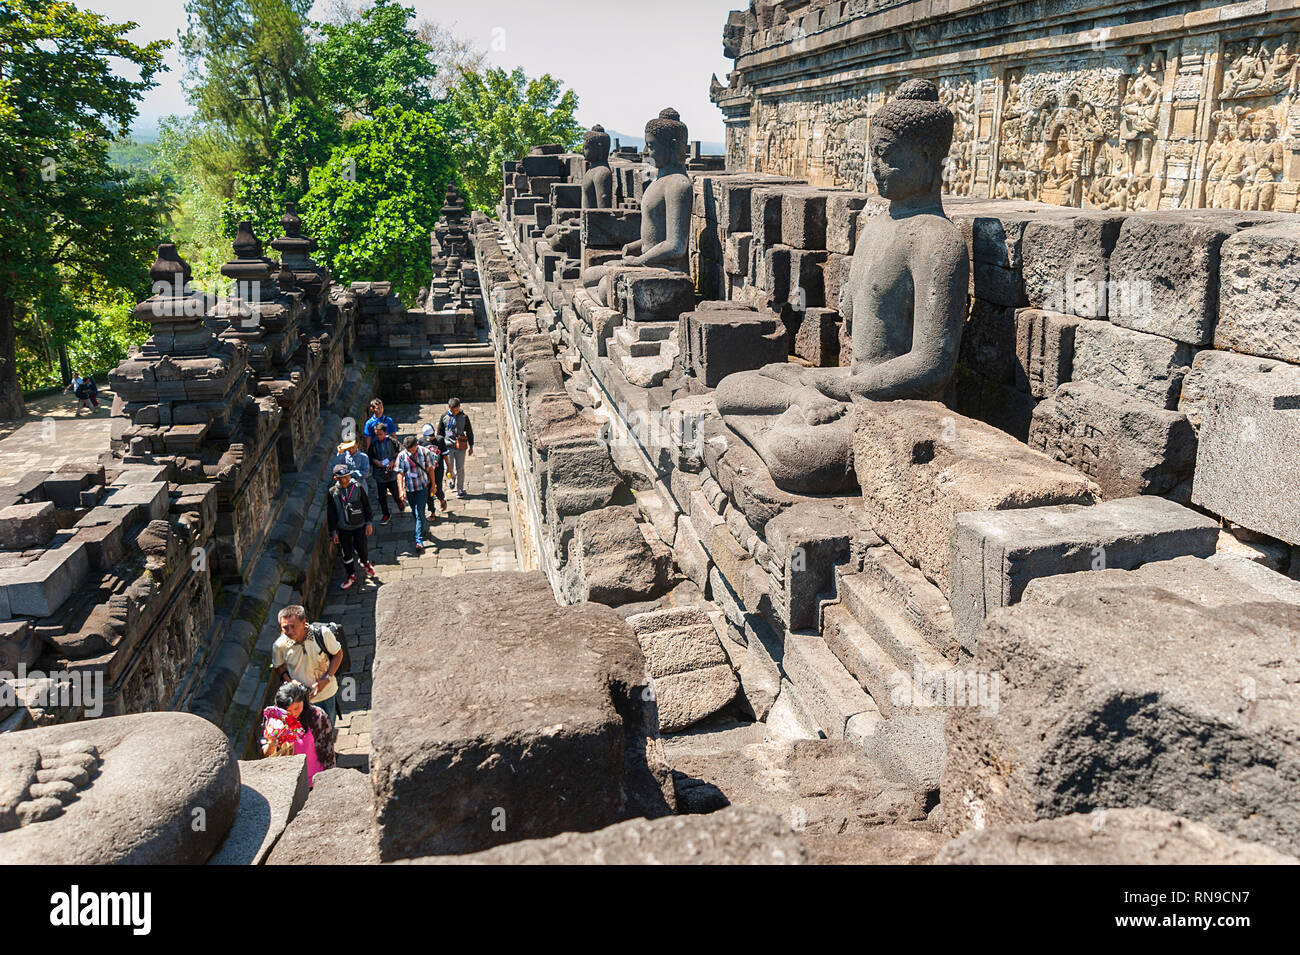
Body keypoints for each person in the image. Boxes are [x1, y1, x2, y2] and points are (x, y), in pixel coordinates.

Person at [271, 606, 343, 727]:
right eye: (285, 628)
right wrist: (291, 682)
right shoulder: (279, 646)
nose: (289, 631)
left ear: (304, 622)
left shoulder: (322, 634)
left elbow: (338, 654)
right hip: (300, 702)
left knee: (327, 729)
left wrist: (326, 679)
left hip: (327, 693)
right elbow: (278, 667)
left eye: (293, 626)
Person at [261, 680, 335, 787]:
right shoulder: (274, 722)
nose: (293, 713)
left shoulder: (317, 716)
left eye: (296, 708)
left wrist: (330, 776)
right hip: (291, 782)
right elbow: (268, 755)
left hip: (317, 778)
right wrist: (272, 742)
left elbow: (328, 749)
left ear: (303, 701)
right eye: (288, 710)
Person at [326, 464, 374, 590]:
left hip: (359, 525)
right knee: (346, 553)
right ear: (336, 479)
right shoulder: (332, 493)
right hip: (343, 528)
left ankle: (365, 562)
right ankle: (350, 575)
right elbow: (331, 514)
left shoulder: (357, 487)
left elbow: (366, 505)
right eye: (343, 478)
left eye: (348, 477)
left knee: (362, 546)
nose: (346, 480)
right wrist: (333, 532)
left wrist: (369, 522)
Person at [394, 434, 440, 553]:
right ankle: (421, 529)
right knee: (415, 512)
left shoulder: (425, 452)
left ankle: (418, 540)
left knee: (419, 512)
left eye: (412, 449)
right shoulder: (402, 456)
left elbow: (431, 469)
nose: (411, 451)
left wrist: (433, 486)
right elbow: (399, 473)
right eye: (408, 449)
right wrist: (401, 490)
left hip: (422, 487)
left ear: (416, 445)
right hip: (410, 489)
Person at [436, 397, 474, 498]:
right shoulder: (444, 416)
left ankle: (460, 489)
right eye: (453, 410)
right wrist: (438, 447)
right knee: (448, 467)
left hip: (460, 446)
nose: (455, 412)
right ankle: (452, 478)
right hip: (447, 446)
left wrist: (471, 445)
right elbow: (440, 432)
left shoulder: (464, 417)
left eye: (457, 410)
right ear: (449, 407)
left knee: (460, 468)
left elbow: (469, 431)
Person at [369, 421, 403, 525]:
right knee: (382, 496)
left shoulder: (392, 441)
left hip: (391, 473)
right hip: (380, 474)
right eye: (377, 434)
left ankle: (399, 502)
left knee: (395, 492)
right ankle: (386, 514)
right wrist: (376, 462)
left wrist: (393, 460)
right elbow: (370, 457)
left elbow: (401, 451)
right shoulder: (374, 444)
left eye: (380, 434)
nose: (378, 436)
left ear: (385, 433)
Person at [418, 423, 449, 522]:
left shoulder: (440, 440)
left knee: (437, 488)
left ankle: (442, 499)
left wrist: (449, 468)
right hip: (426, 471)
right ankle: (432, 511)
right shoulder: (421, 442)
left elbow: (444, 455)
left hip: (438, 470)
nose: (431, 439)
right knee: (428, 491)